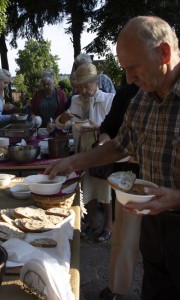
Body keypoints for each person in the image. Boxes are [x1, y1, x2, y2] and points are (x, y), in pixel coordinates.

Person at [45, 16, 180, 299]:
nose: (128, 79)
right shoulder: (142, 99)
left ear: (164, 53)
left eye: (133, 68)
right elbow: (120, 146)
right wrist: (72, 162)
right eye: (124, 69)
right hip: (154, 227)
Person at [56, 62, 115, 243]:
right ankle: (94, 224)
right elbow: (61, 125)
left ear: (95, 81)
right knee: (86, 188)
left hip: (101, 151)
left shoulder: (108, 99)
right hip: (81, 151)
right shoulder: (75, 101)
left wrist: (99, 128)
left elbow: (115, 129)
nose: (82, 90)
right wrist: (62, 118)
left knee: (104, 189)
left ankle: (108, 226)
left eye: (86, 85)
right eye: (79, 87)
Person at [98, 83, 141, 299]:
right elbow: (109, 125)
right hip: (128, 178)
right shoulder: (126, 92)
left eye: (134, 66)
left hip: (168, 186)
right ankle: (117, 288)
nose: (131, 75)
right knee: (124, 237)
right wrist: (104, 141)